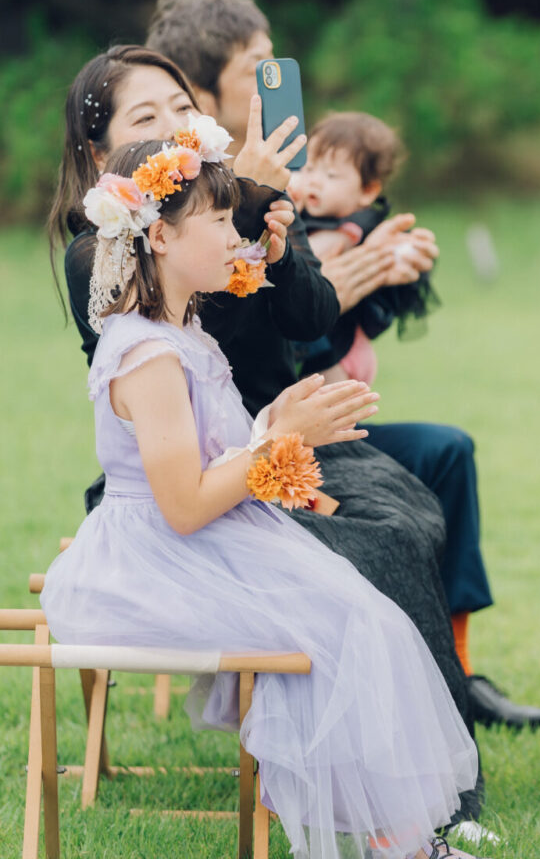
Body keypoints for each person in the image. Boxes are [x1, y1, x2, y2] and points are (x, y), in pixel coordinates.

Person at [47, 46, 502, 842]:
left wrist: (262, 226)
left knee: (418, 494)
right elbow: (180, 478)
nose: (175, 127)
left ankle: (413, 797)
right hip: (176, 510)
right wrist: (242, 210)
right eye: (144, 118)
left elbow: (305, 316)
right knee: (361, 578)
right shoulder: (119, 275)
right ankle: (397, 810)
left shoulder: (194, 282)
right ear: (104, 157)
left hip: (232, 464)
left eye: (179, 106)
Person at [147, 0, 540, 736]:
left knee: (444, 452)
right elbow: (228, 332)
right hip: (227, 449)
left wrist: (392, 268)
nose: (279, 84)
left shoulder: (282, 190)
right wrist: (270, 222)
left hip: (302, 419)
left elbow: (313, 315)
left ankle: (457, 673)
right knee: (391, 503)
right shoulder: (172, 217)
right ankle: (404, 688)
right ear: (199, 90)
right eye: (258, 70)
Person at [287, 111, 438, 386]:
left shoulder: (363, 227)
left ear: (368, 191)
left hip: (341, 354)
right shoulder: (308, 219)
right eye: (308, 168)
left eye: (331, 175)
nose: (314, 181)